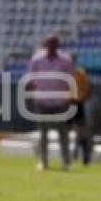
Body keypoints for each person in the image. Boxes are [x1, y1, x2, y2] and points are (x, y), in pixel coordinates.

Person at [26, 34, 76, 170]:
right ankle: (44, 161)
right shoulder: (37, 59)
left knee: (63, 134)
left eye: (54, 44)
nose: (52, 47)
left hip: (60, 102)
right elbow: (30, 79)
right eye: (49, 44)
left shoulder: (65, 61)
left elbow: (71, 80)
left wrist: (70, 100)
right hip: (42, 101)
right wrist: (31, 97)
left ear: (58, 45)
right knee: (43, 134)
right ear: (45, 45)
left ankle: (66, 162)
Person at [68, 54, 92, 165]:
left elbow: (88, 89)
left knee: (82, 132)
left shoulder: (80, 73)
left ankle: (84, 155)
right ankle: (69, 154)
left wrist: (82, 99)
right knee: (66, 131)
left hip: (77, 104)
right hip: (68, 104)